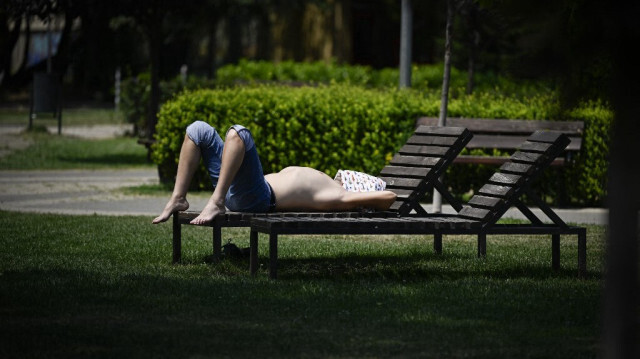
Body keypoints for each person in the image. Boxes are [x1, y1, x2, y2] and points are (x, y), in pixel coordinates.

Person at [152, 121, 397, 225]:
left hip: (257, 199)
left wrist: (367, 197)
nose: (345, 174)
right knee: (197, 130)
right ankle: (178, 197)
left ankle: (216, 202)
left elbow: (390, 197)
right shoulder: (330, 185)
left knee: (240, 133)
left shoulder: (339, 196)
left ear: (357, 185)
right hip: (242, 190)